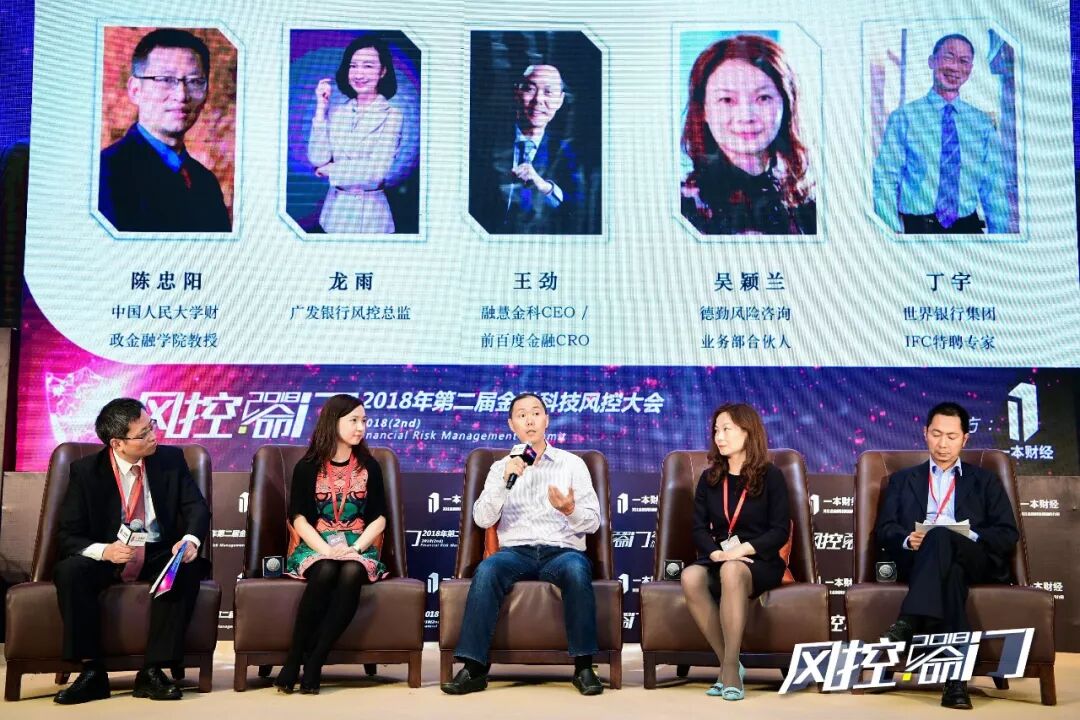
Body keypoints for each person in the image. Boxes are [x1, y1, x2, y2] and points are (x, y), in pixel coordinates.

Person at [441, 392, 604, 696]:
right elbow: (482, 518)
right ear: (511, 424)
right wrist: (504, 483)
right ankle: (474, 669)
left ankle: (584, 667)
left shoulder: (572, 464)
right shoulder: (500, 468)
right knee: (487, 571)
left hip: (562, 551)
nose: (530, 420)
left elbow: (593, 522)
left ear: (547, 420)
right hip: (515, 553)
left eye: (536, 413)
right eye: (522, 415)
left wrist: (570, 509)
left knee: (576, 570)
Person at [52, 398, 210, 703]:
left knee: (184, 567)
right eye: (143, 433)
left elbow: (196, 508)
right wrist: (105, 551)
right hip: (110, 554)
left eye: (152, 426)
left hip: (156, 550)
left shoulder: (170, 459)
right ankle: (92, 672)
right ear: (117, 443)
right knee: (70, 571)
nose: (153, 436)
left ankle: (152, 671)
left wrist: (190, 540)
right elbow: (68, 534)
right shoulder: (86, 472)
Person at [875, 401, 1019, 709]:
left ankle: (910, 619)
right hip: (922, 560)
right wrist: (907, 540)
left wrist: (968, 535)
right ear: (925, 433)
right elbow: (885, 529)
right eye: (936, 434)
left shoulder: (985, 481)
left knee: (942, 535)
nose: (943, 444)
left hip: (976, 558)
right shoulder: (903, 480)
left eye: (951, 436)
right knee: (949, 572)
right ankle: (955, 683)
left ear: (965, 439)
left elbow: (1007, 534)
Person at [275, 393, 388, 694]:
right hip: (317, 542)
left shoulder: (369, 466)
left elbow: (379, 518)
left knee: (351, 571)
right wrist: (326, 550)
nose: (361, 427)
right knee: (325, 570)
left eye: (364, 421)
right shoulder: (308, 466)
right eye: (353, 420)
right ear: (332, 422)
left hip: (358, 542)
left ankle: (315, 661)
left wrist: (356, 548)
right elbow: (299, 518)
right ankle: (294, 659)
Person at [679, 403, 791, 700]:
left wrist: (742, 549)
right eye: (716, 430)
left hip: (759, 559)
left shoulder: (771, 476)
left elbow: (779, 531)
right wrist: (716, 553)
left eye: (727, 429)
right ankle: (729, 662)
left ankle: (728, 670)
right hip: (720, 557)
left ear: (747, 432)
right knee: (690, 576)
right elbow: (699, 529)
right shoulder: (710, 479)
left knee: (732, 569)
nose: (719, 436)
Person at [872, 34, 1009, 234]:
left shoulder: (982, 124)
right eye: (948, 57)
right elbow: (885, 179)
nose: (955, 67)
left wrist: (1000, 240)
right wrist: (893, 233)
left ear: (970, 70)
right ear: (931, 61)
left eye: (963, 61)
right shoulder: (903, 118)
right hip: (918, 230)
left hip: (968, 230)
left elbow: (994, 188)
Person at [681, 35, 816, 235]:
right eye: (727, 100)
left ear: (786, 106)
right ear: (703, 111)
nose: (746, 117)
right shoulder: (682, 205)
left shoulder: (809, 202)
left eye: (763, 98)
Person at [98, 29, 231, 232]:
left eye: (194, 81)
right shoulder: (107, 173)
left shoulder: (206, 183)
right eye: (166, 80)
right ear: (135, 90)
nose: (182, 95)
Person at [469, 64, 590, 234]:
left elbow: (577, 210)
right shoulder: (482, 142)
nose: (538, 99)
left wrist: (544, 187)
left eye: (548, 92)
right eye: (530, 89)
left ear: (560, 100)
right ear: (517, 92)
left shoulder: (568, 154)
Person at [307, 35, 404, 234]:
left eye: (368, 66)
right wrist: (321, 109)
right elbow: (318, 158)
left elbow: (376, 172)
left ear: (383, 71)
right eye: (353, 66)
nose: (359, 74)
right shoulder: (338, 112)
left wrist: (331, 170)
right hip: (334, 215)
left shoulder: (392, 115)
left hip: (370, 218)